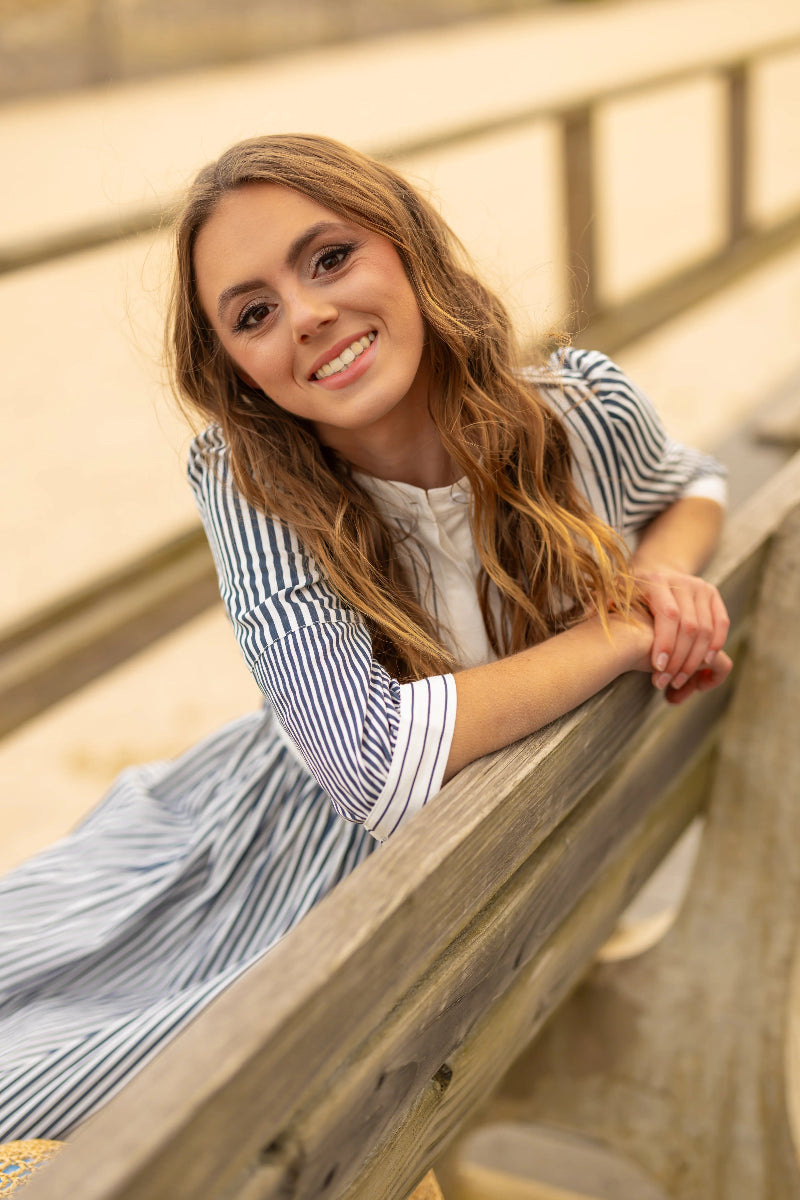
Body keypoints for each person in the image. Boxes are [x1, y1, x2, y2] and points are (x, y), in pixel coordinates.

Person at [0, 133, 731, 1144]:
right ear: (238, 370)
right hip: (259, 855)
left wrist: (661, 573)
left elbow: (687, 486)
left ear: (408, 248)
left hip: (379, 921)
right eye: (253, 314)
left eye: (328, 257)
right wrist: (617, 630)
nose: (306, 316)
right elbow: (376, 763)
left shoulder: (575, 410)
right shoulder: (252, 485)